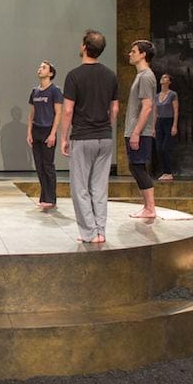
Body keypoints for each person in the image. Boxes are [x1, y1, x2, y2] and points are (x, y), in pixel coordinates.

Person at [60, 30, 118, 244]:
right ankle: (100, 231)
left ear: (85, 46)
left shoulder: (74, 76)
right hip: (105, 137)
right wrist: (106, 127)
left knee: (80, 187)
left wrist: (64, 137)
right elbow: (115, 108)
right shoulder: (110, 75)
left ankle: (89, 233)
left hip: (83, 137)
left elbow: (67, 110)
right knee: (99, 187)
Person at [125, 40, 158, 219]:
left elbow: (147, 107)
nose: (130, 54)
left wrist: (137, 132)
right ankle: (147, 207)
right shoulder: (141, 76)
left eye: (133, 51)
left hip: (138, 131)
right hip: (136, 129)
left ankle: (150, 207)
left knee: (138, 167)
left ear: (143, 54)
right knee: (135, 166)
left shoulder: (146, 76)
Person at [27, 60, 63, 210]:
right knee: (39, 166)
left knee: (48, 165)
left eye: (44, 67)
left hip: (48, 130)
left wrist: (53, 133)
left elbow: (58, 113)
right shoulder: (35, 91)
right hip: (36, 131)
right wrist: (29, 132)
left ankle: (51, 198)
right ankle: (44, 196)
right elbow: (31, 114)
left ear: (51, 73)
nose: (40, 69)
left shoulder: (55, 91)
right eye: (40, 67)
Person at [156, 73, 179, 181]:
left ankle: (169, 172)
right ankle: (165, 172)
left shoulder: (173, 94)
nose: (163, 78)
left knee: (165, 148)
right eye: (162, 77)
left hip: (169, 121)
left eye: (165, 77)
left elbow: (175, 110)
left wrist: (174, 125)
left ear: (169, 82)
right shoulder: (156, 96)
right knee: (159, 148)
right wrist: (153, 127)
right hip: (159, 121)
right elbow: (155, 112)